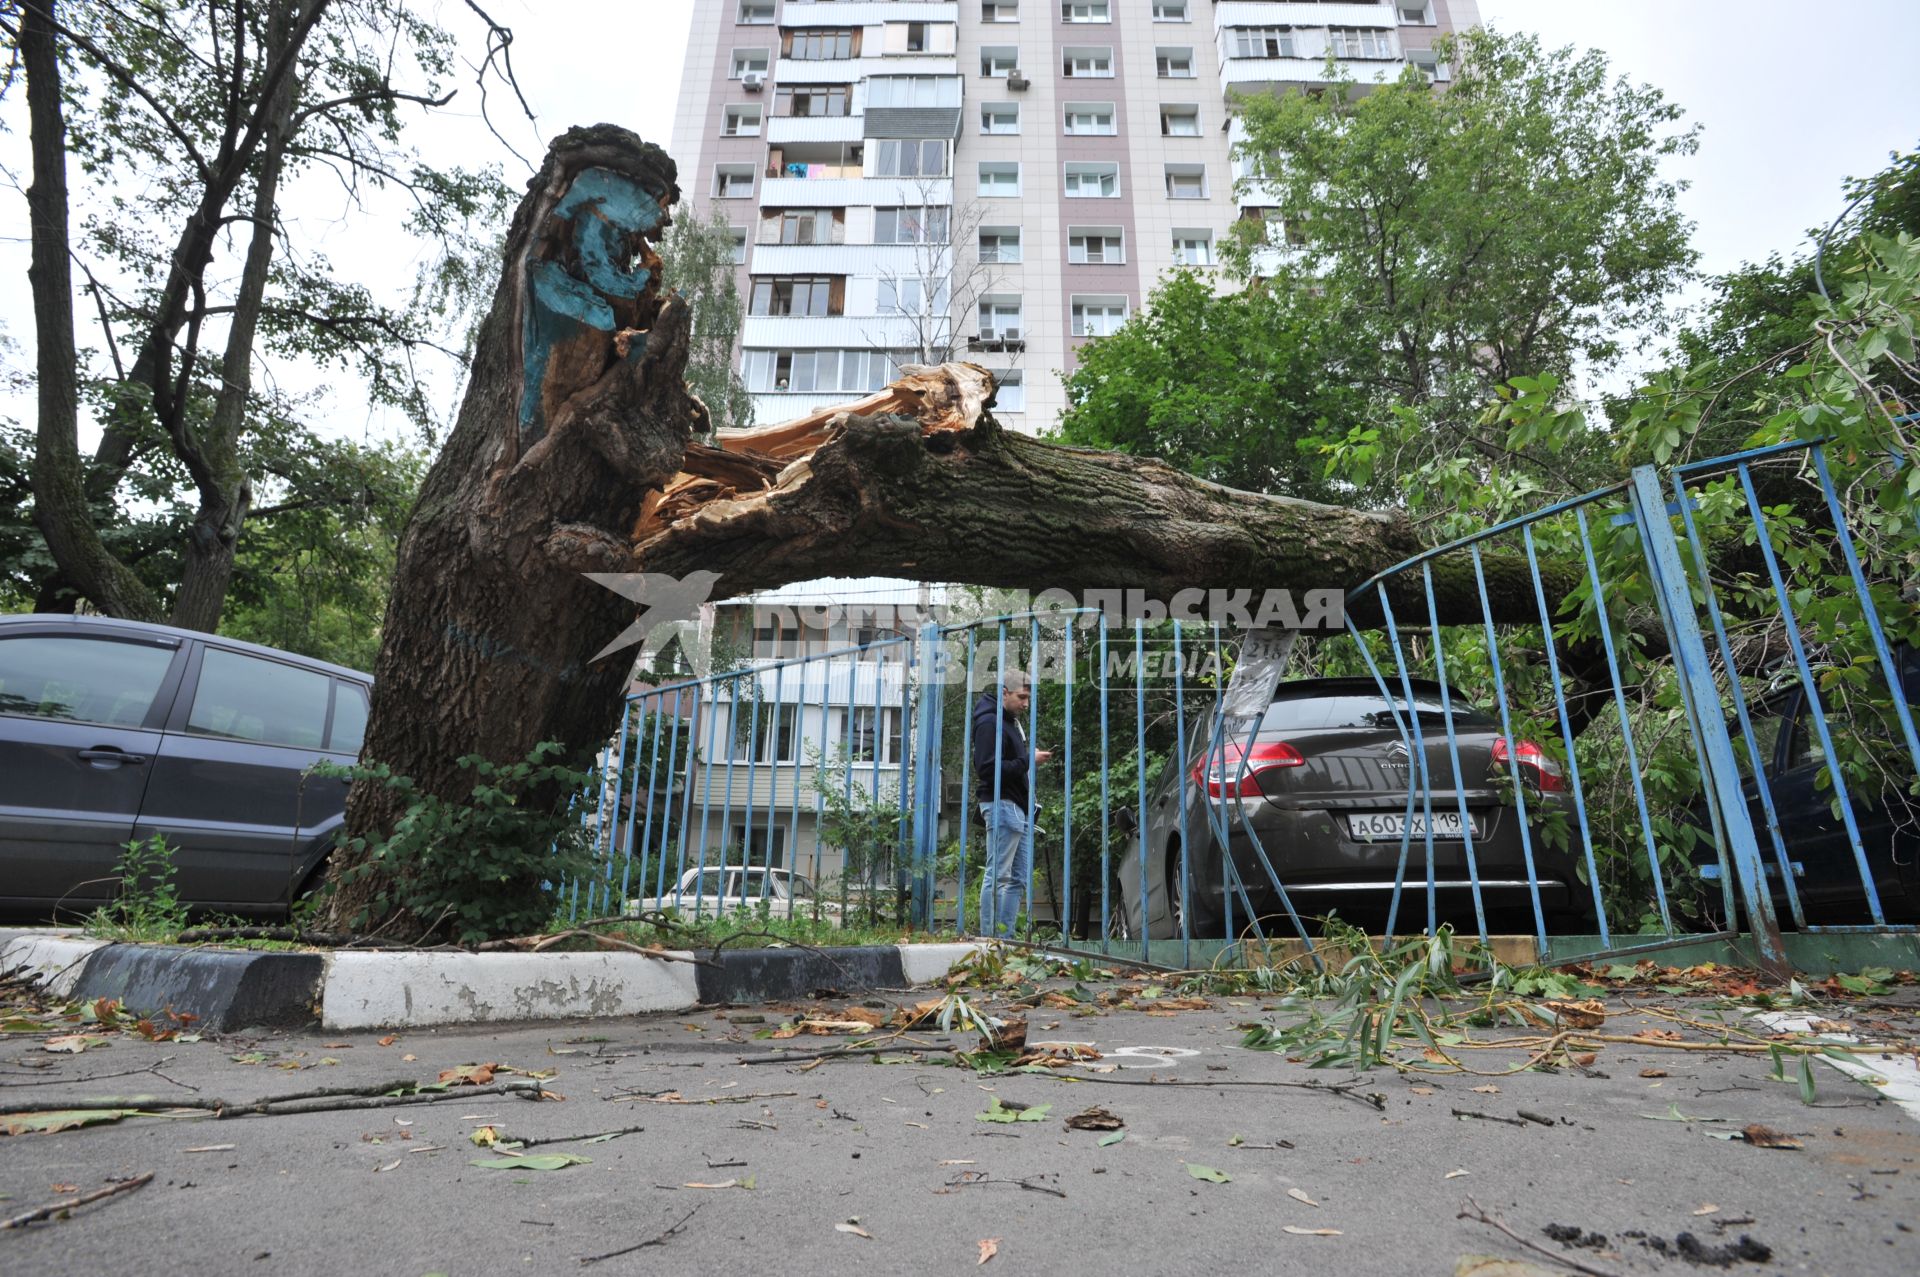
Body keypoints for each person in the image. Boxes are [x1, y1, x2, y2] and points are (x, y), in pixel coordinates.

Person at [971, 669, 1052, 937]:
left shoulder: (1008, 721)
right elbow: (987, 770)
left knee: (1017, 878)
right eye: (1022, 697)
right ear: (1004, 692)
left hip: (1019, 808)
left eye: (1029, 698)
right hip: (1002, 805)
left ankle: (1004, 940)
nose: (1026, 703)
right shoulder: (989, 722)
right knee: (998, 875)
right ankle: (989, 940)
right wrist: (1029, 759)